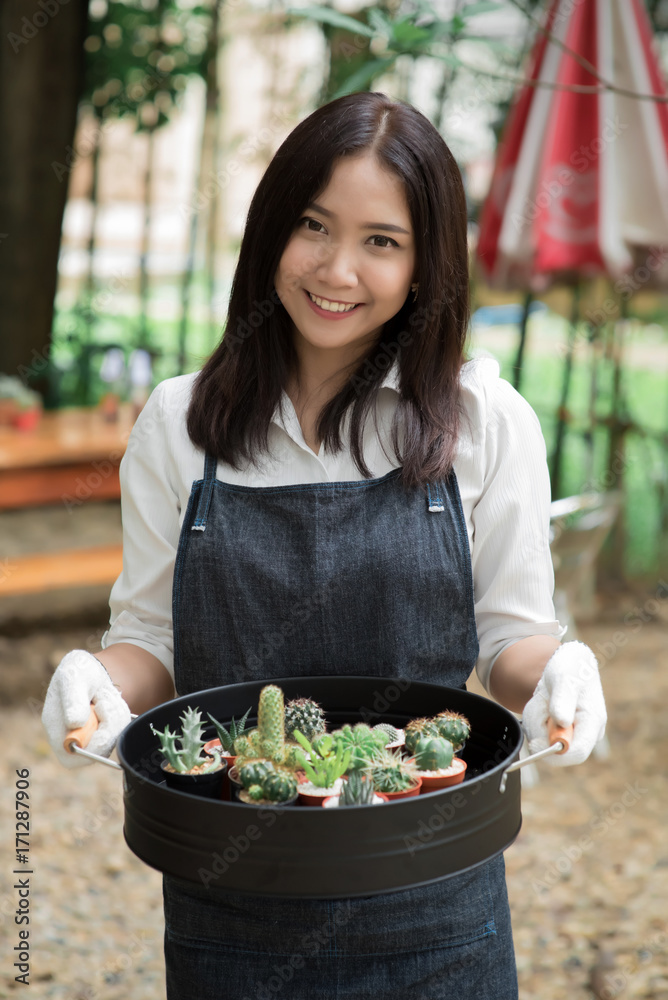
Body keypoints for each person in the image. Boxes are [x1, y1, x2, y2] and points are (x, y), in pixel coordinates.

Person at [42, 90, 607, 1000]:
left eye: (381, 240)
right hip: (232, 902)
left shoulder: (483, 421)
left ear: (426, 265)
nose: (337, 268)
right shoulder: (179, 426)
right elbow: (150, 642)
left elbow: (511, 642)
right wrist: (97, 683)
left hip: (437, 908)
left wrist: (561, 678)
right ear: (271, 229)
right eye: (313, 225)